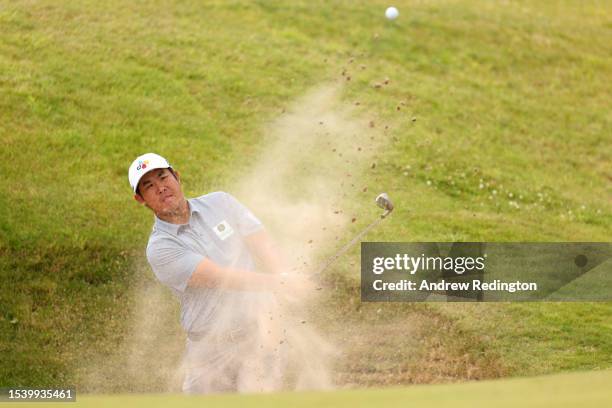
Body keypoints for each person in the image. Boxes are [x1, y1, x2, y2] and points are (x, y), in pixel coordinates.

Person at [128, 152, 293, 394]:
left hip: (260, 334)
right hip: (210, 350)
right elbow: (219, 278)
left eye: (163, 177)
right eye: (149, 186)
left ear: (177, 176)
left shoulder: (220, 202)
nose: (160, 188)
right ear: (140, 199)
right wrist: (278, 283)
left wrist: (285, 273)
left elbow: (261, 241)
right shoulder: (160, 248)